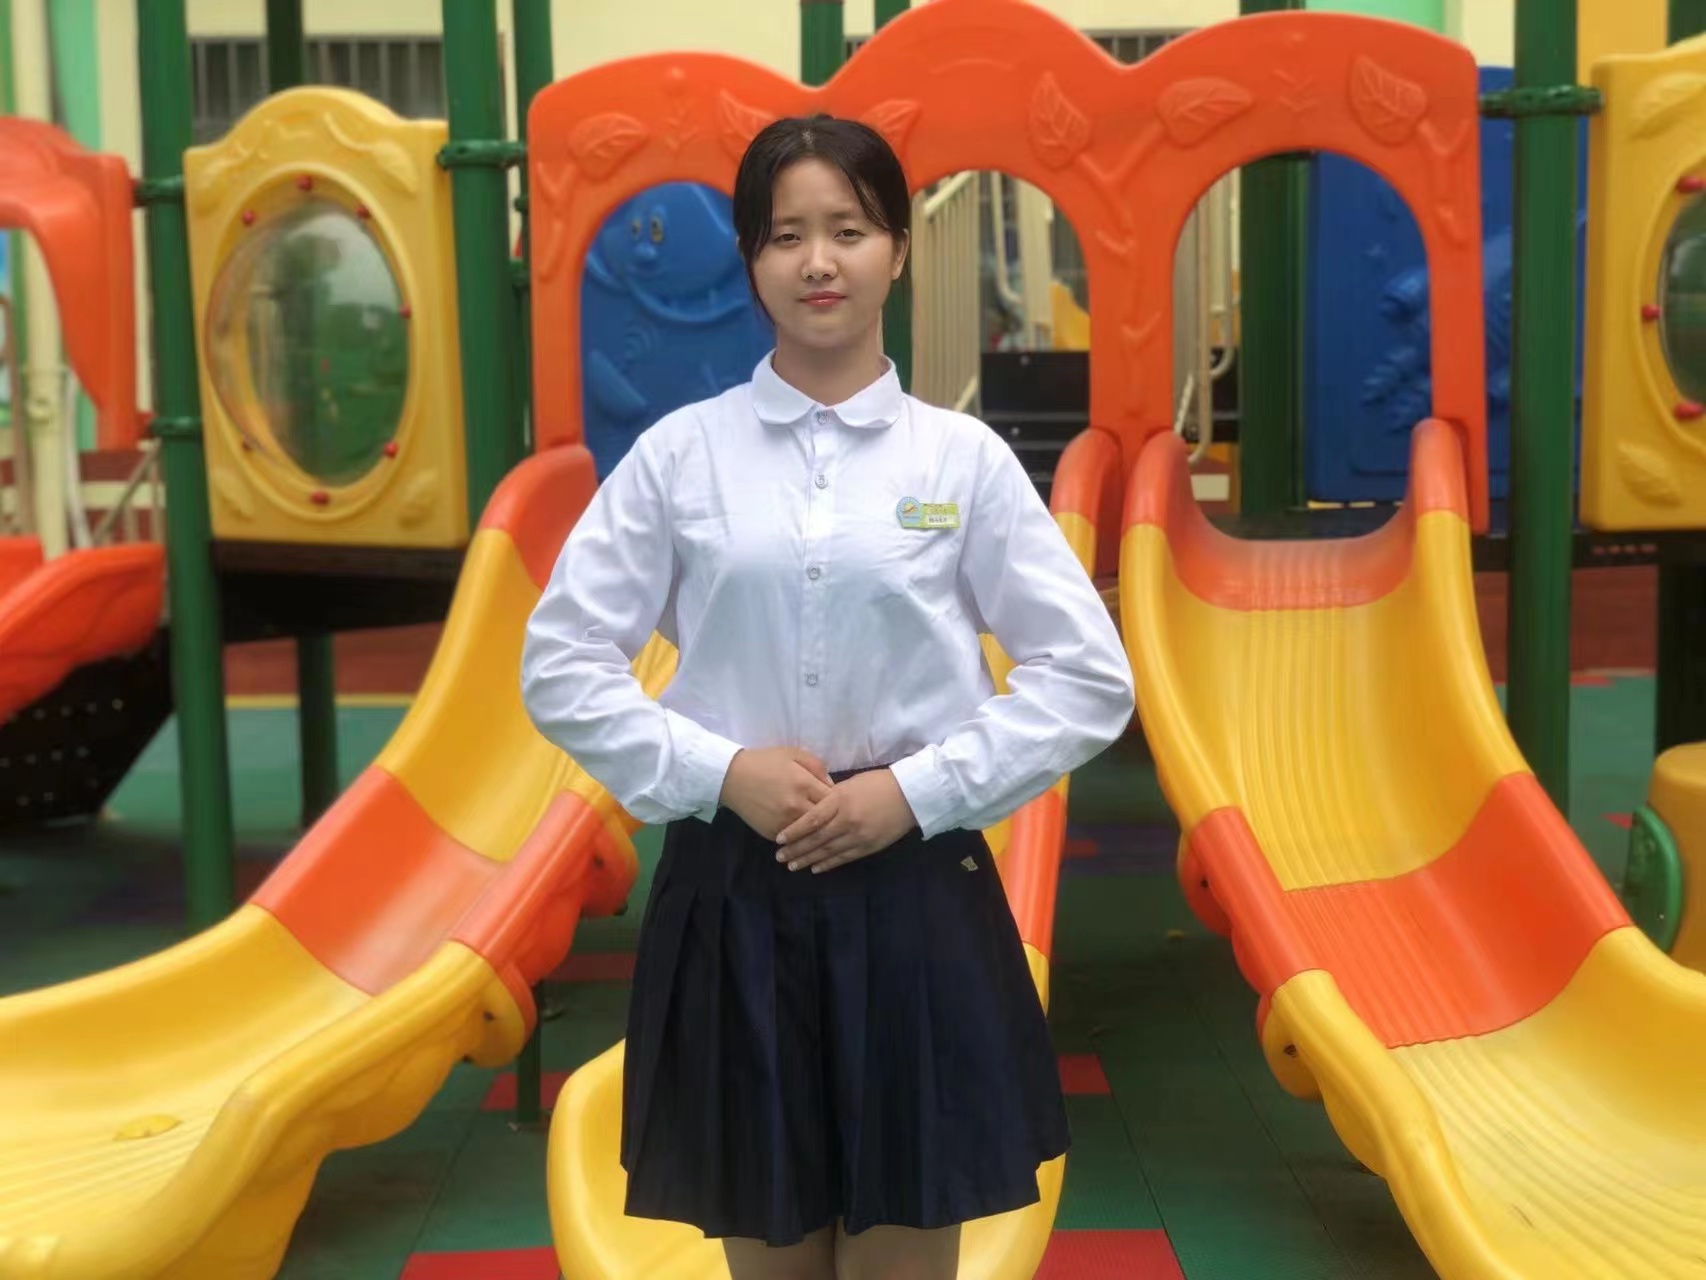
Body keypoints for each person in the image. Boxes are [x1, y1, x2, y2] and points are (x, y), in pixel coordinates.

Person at [521, 115, 1134, 1280]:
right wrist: (720, 774)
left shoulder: (958, 461)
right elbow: (560, 659)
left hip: (916, 894)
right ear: (750, 260)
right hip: (733, 895)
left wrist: (915, 791)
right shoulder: (683, 456)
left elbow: (1086, 676)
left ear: (896, 249)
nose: (818, 261)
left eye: (847, 230)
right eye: (785, 234)